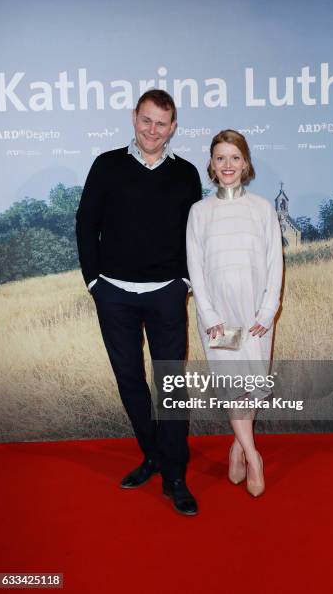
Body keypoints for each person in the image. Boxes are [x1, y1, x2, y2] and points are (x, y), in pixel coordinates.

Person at [76, 89, 202, 516]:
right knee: (130, 380)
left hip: (166, 293)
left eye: (161, 123)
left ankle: (175, 476)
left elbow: (193, 233)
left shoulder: (185, 174)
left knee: (170, 384)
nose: (153, 130)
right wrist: (94, 282)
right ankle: (152, 455)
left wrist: (183, 281)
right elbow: (85, 223)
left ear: (173, 128)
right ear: (134, 118)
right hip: (114, 294)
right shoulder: (107, 165)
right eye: (146, 120)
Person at [186, 129, 283, 497]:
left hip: (256, 315)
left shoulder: (263, 209)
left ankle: (236, 446)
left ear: (246, 163)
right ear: (211, 164)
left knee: (253, 386)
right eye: (220, 158)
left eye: (234, 157)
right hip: (220, 320)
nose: (227, 165)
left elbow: (275, 263)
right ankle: (254, 455)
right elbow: (196, 268)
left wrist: (268, 309)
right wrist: (210, 316)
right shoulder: (199, 212)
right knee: (233, 387)